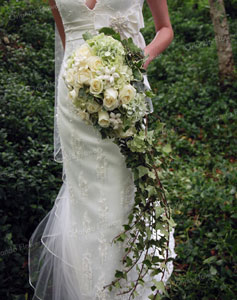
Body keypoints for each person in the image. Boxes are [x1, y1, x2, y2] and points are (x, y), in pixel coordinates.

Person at [28, 0, 176, 299]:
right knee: (84, 194)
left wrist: (138, 60)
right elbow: (68, 40)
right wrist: (81, 78)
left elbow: (165, 29)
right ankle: (89, 285)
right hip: (74, 100)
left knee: (124, 182)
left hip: (125, 91)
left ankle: (130, 280)